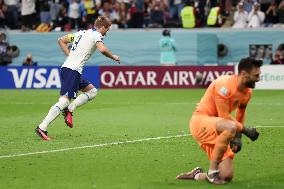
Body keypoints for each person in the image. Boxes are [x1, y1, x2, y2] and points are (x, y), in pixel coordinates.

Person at [176, 57, 262, 184]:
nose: (259, 78)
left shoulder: (247, 92)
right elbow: (224, 116)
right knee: (230, 126)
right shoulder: (224, 85)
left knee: (226, 176)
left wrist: (238, 137)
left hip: (220, 127)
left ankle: (196, 175)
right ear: (244, 74)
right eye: (256, 75)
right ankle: (212, 173)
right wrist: (245, 130)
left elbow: (240, 113)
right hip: (200, 122)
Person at [35, 16, 120, 140]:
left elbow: (61, 40)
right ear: (102, 27)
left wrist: (70, 56)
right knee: (63, 101)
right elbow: (102, 49)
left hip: (71, 69)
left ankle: (70, 109)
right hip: (72, 71)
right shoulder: (96, 35)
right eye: (107, 30)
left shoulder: (81, 33)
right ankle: (42, 127)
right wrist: (114, 57)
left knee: (92, 91)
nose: (106, 33)